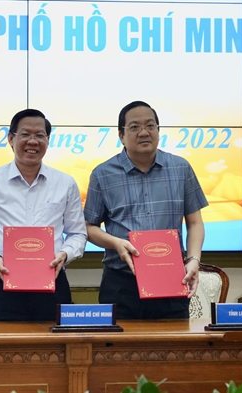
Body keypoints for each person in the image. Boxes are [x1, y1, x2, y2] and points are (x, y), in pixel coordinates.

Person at [84, 101, 208, 320]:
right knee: (116, 352)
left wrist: (194, 259)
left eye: (150, 126)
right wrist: (116, 243)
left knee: (172, 351)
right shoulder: (102, 174)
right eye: (134, 127)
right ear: (121, 135)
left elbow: (195, 223)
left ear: (158, 131)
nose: (144, 132)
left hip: (170, 280)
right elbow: (89, 227)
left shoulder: (181, 168)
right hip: (121, 282)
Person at [0, 109, 87, 321]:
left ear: (48, 141)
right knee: (2, 352)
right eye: (26, 134)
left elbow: (78, 234)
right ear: (11, 139)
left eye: (40, 135)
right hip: (3, 288)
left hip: (53, 287)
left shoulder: (65, 183)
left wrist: (65, 254)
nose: (33, 141)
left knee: (58, 352)